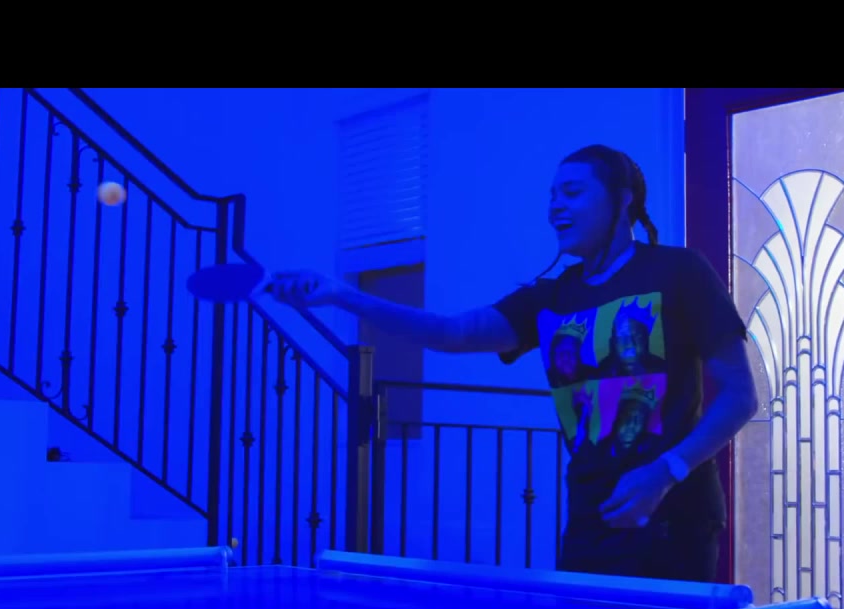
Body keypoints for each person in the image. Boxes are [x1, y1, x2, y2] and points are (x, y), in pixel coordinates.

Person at [265, 144, 758, 583]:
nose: (555, 207)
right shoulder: (550, 298)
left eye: (572, 192)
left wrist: (666, 471)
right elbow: (450, 333)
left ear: (622, 198)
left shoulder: (679, 271)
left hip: (673, 516)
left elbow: (740, 396)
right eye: (552, 196)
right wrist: (342, 295)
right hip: (591, 518)